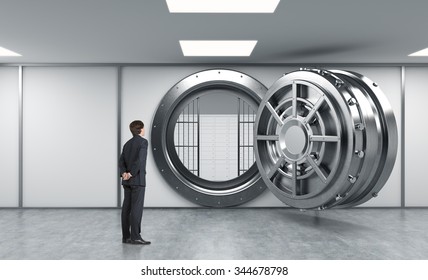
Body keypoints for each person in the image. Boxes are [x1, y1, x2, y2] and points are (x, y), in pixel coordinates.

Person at [119, 120, 150, 245]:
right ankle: (136, 237)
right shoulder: (143, 142)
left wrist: (124, 173)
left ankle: (126, 237)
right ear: (141, 129)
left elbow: (121, 162)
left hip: (126, 181)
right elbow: (140, 160)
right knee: (136, 209)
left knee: (126, 209)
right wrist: (132, 173)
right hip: (137, 180)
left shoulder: (127, 144)